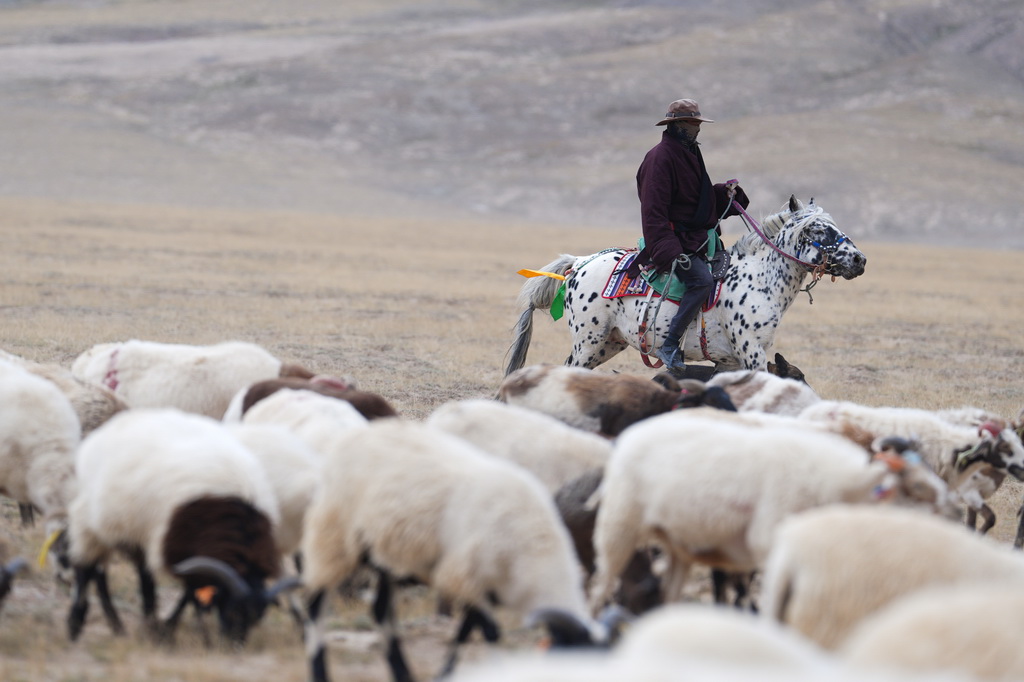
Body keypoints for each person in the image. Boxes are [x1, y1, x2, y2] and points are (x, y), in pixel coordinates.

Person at [632, 98, 749, 373]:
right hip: (674, 242)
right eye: (691, 123)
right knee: (701, 281)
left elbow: (695, 199)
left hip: (697, 240)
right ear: (676, 125)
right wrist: (670, 252)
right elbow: (653, 213)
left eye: (698, 123)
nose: (697, 128)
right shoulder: (659, 158)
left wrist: (724, 194)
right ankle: (670, 344)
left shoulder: (689, 152)